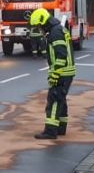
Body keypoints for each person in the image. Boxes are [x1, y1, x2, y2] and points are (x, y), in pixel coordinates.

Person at [30, 8, 77, 139]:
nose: (39, 29)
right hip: (66, 72)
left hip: (62, 72)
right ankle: (61, 128)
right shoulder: (57, 29)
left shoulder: (55, 33)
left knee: (54, 100)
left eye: (39, 26)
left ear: (43, 22)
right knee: (61, 99)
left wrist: (55, 74)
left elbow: (61, 55)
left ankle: (50, 131)